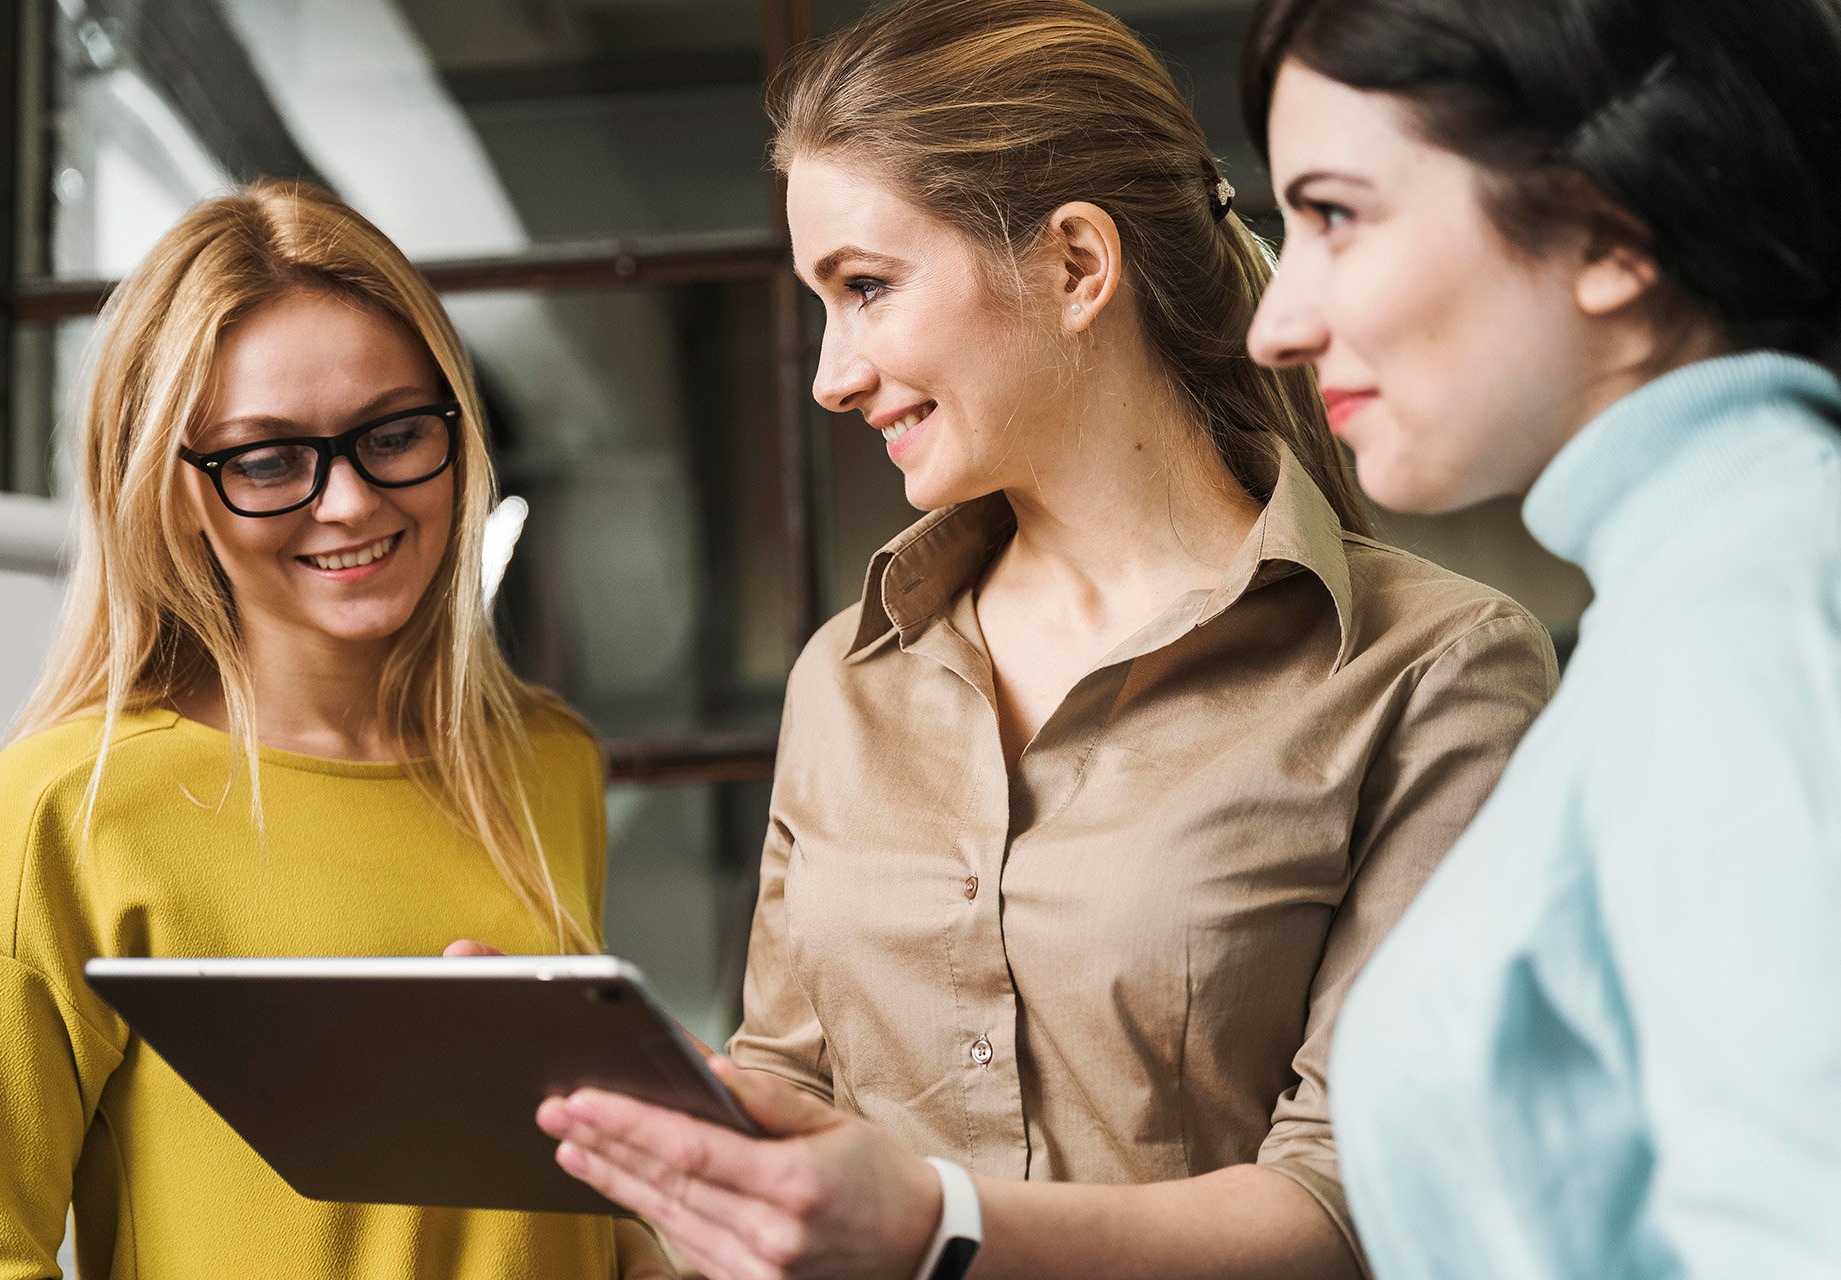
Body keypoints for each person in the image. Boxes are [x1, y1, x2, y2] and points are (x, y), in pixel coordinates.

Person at [527, 2, 1559, 1277]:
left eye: (866, 288)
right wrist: (604, 1096)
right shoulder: (847, 677)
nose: (829, 375)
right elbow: (784, 1094)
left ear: (1077, 265)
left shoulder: (1436, 669)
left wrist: (930, 1227)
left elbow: (1365, 1195)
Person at [0, 180, 670, 1278]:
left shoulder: (546, 758)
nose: (353, 501)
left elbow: (538, 1180)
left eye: (395, 432)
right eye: (268, 458)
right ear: (172, 490)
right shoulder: (68, 809)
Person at [1240, 0, 1841, 1276]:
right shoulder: (1701, 592)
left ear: (1608, 230)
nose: (1276, 324)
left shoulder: (1747, 609)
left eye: (1335, 214)